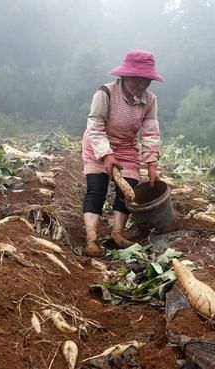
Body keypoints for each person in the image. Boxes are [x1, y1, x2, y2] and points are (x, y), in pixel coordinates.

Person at [81, 50, 163, 257]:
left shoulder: (150, 100)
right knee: (96, 189)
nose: (142, 85)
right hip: (98, 144)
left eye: (146, 81)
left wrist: (152, 165)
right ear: (125, 76)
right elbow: (95, 126)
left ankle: (117, 233)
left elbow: (150, 133)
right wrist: (106, 155)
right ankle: (91, 237)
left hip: (126, 148)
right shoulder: (105, 93)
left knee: (128, 192)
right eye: (137, 79)